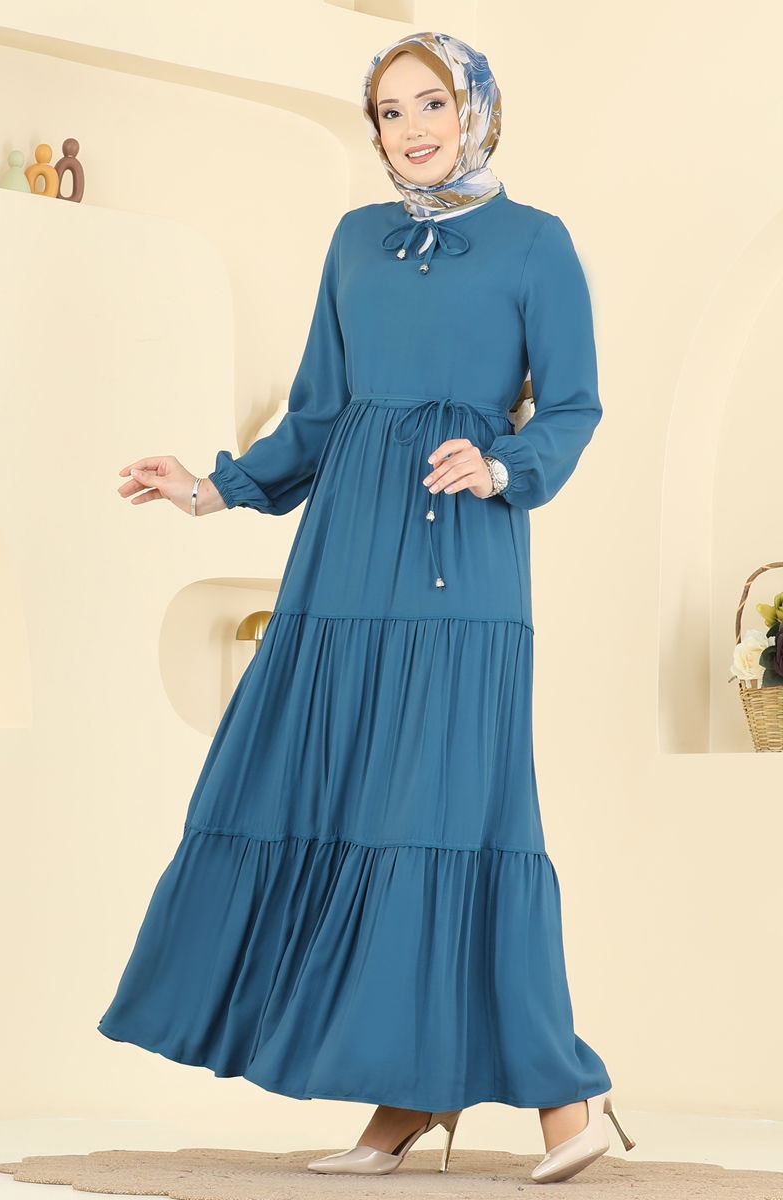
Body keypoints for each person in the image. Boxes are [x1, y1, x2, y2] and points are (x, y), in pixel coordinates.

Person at [98, 30, 636, 1186]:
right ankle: (411, 1094)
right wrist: (209, 488)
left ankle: (565, 1096)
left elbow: (572, 406)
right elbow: (317, 414)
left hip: (459, 562)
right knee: (349, 806)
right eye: (389, 112)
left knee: (453, 820)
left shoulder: (536, 243)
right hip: (341, 566)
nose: (411, 129)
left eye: (431, 103)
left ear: (476, 109)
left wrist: (500, 464)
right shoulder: (353, 239)